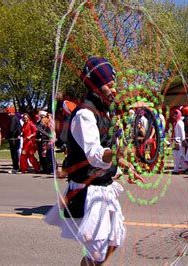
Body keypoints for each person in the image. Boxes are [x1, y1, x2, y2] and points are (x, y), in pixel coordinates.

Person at [45, 57, 126, 265]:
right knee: (96, 253)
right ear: (96, 85)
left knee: (117, 238)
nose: (114, 89)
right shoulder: (84, 114)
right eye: (109, 84)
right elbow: (95, 154)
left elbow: (107, 149)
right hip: (89, 192)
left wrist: (124, 163)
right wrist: (115, 153)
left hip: (103, 187)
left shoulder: (104, 112)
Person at [6, 106, 22, 174]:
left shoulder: (13, 118)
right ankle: (16, 167)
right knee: (16, 153)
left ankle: (15, 168)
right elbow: (20, 128)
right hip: (16, 138)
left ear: (12, 112)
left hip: (13, 138)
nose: (8, 114)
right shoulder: (17, 118)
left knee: (14, 154)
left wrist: (7, 136)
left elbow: (11, 129)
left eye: (9, 112)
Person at [171, 109, 187, 174]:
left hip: (179, 141)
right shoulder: (176, 122)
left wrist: (183, 140)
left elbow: (182, 132)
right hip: (176, 141)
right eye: (174, 114)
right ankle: (180, 168)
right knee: (176, 155)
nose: (174, 115)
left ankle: (183, 167)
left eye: (176, 114)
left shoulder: (180, 122)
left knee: (180, 155)